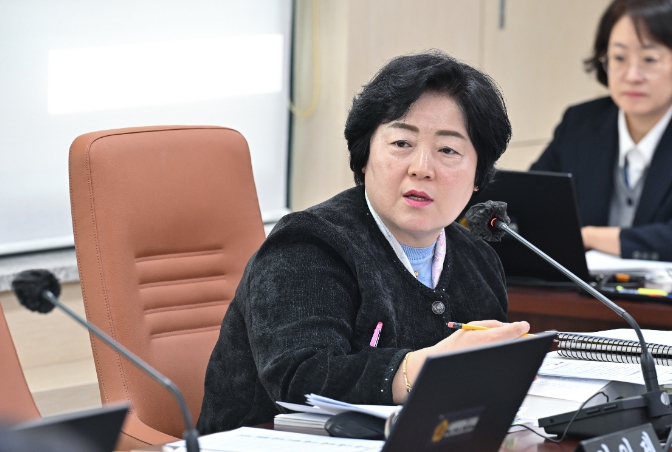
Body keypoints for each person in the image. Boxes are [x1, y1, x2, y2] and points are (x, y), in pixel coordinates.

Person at [197, 51, 530, 434]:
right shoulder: (307, 244)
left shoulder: (478, 261)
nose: (422, 168)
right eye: (402, 143)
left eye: (448, 150)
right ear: (364, 154)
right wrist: (420, 369)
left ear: (478, 176)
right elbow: (300, 379)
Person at [531, 0, 672, 261]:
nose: (632, 75)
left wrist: (591, 237)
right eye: (619, 58)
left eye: (649, 59)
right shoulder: (579, 124)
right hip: (580, 287)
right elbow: (531, 205)